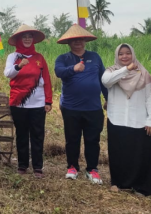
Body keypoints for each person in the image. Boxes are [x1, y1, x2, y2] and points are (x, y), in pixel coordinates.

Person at [54, 24, 108, 185]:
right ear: (69, 43)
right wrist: (73, 68)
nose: (78, 42)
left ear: (85, 40)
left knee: (93, 139)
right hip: (71, 107)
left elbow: (103, 79)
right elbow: (59, 72)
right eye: (74, 40)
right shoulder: (63, 59)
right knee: (72, 138)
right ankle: (72, 166)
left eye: (80, 39)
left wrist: (108, 98)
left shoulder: (95, 57)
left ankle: (92, 169)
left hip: (93, 107)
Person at [101, 43, 151, 196]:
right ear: (117, 56)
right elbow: (106, 82)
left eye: (127, 53)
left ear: (133, 54)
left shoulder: (143, 73)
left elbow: (150, 98)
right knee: (118, 153)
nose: (124, 56)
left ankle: (142, 187)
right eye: (121, 54)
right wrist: (126, 69)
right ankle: (118, 183)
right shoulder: (111, 71)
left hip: (139, 120)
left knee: (140, 154)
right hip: (116, 119)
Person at [3, 24, 52, 178]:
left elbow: (47, 80)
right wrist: (19, 66)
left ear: (33, 40)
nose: (27, 39)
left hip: (38, 103)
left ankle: (38, 167)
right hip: (18, 102)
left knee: (37, 135)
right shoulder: (13, 57)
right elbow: (8, 74)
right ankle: (22, 166)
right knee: (22, 134)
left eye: (29, 36)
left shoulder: (39, 58)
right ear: (19, 39)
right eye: (24, 37)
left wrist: (48, 101)